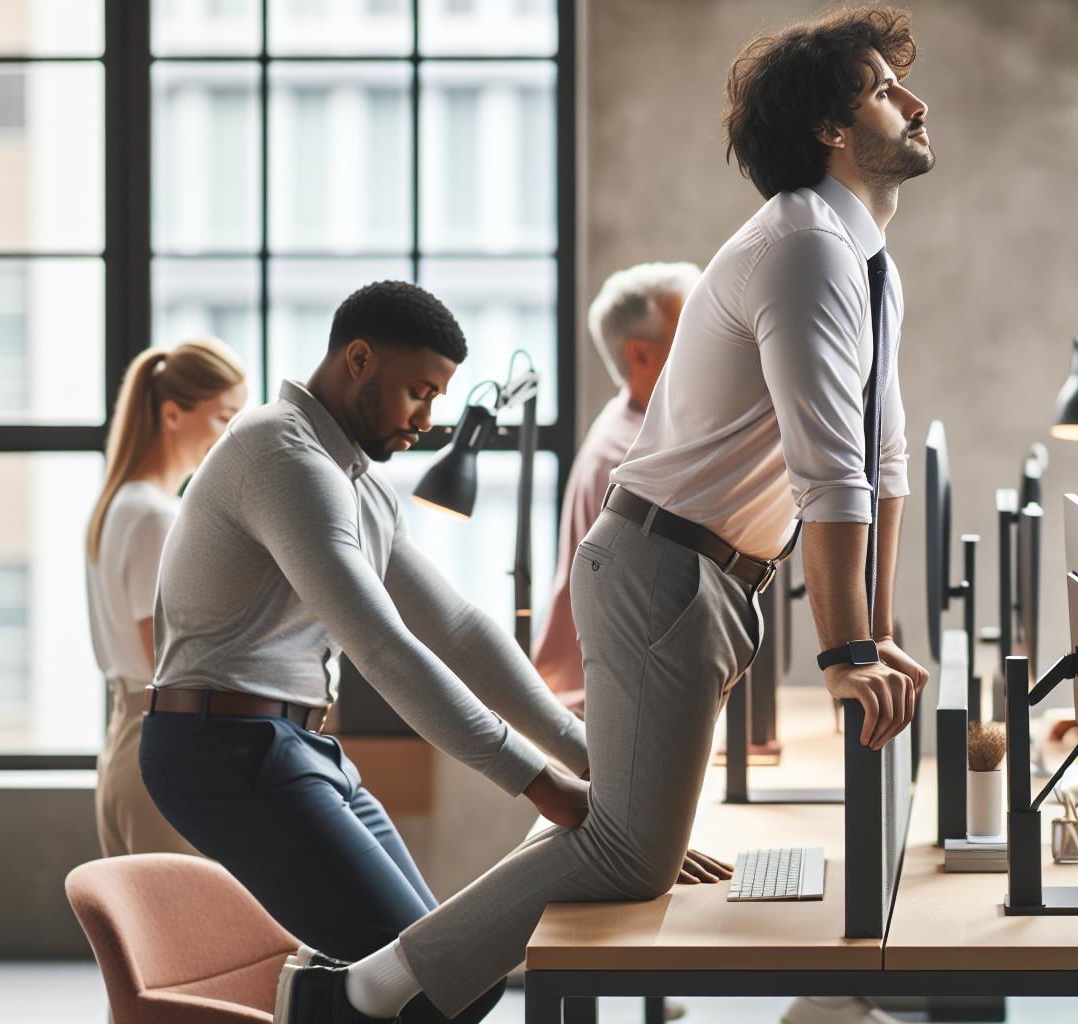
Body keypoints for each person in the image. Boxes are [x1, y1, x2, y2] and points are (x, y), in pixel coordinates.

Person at [270, 8, 934, 1023]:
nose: (915, 101)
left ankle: (377, 985)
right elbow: (828, 471)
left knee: (625, 835)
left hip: (705, 578)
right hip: (666, 570)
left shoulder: (865, 263)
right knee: (630, 855)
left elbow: (881, 458)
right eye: (884, 88)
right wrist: (845, 642)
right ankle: (357, 994)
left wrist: (874, 630)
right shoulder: (803, 247)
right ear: (831, 131)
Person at [142, 282, 663, 1024]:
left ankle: (323, 996)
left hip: (291, 746)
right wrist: (539, 784)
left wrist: (586, 756)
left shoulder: (356, 479)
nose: (429, 419)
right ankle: (310, 1003)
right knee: (438, 983)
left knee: (457, 971)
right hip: (221, 748)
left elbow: (455, 627)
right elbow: (384, 649)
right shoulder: (283, 456)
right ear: (360, 359)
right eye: (419, 392)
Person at [86, 336, 247, 858]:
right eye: (224, 417)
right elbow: (168, 658)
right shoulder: (156, 516)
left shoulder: (119, 505)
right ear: (173, 414)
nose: (232, 436)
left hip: (122, 741)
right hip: (161, 747)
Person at [533, 261, 701, 712]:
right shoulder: (632, 456)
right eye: (694, 334)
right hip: (606, 705)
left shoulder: (633, 419)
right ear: (641, 355)